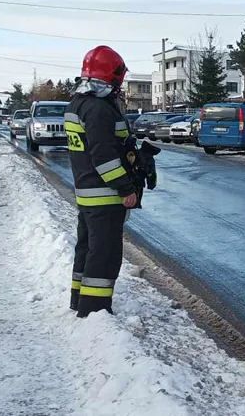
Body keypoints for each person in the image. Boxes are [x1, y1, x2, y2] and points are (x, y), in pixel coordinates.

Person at [65, 45, 140, 318]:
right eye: (118, 79)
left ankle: (79, 300)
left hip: (86, 191)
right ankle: (94, 311)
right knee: (104, 253)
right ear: (112, 76)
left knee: (86, 248)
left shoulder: (78, 103)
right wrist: (125, 188)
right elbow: (104, 156)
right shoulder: (98, 108)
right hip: (105, 194)